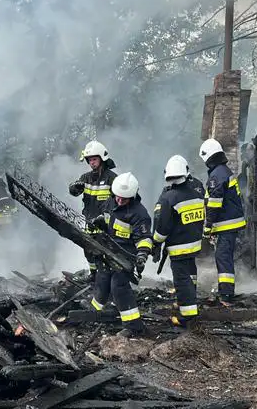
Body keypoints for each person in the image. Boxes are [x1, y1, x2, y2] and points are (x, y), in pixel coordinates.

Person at [88, 172, 152, 337]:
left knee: (119, 287)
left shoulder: (140, 214)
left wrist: (142, 256)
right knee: (102, 280)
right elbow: (108, 217)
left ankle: (133, 326)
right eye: (117, 197)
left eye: (124, 199)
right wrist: (100, 221)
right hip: (108, 251)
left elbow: (144, 239)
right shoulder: (111, 201)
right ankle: (95, 311)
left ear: (133, 195)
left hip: (126, 255)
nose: (120, 201)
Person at [152, 155, 205, 327]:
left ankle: (187, 317)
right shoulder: (196, 194)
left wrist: (156, 243)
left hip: (179, 248)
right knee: (191, 275)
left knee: (181, 280)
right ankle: (192, 301)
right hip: (194, 244)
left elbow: (163, 228)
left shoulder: (169, 198)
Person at [199, 138, 246, 304]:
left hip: (226, 224)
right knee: (223, 256)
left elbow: (214, 204)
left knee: (223, 257)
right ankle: (226, 292)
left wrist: (208, 227)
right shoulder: (223, 171)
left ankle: (226, 294)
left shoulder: (216, 175)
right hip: (230, 223)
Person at [68, 140, 117, 277]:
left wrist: (106, 218)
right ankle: (94, 275)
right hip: (89, 222)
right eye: (89, 160)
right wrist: (74, 188)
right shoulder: (86, 178)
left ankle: (107, 276)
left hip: (106, 225)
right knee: (88, 250)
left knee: (105, 251)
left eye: (94, 159)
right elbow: (75, 192)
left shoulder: (112, 178)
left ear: (102, 159)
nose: (92, 163)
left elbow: (119, 201)